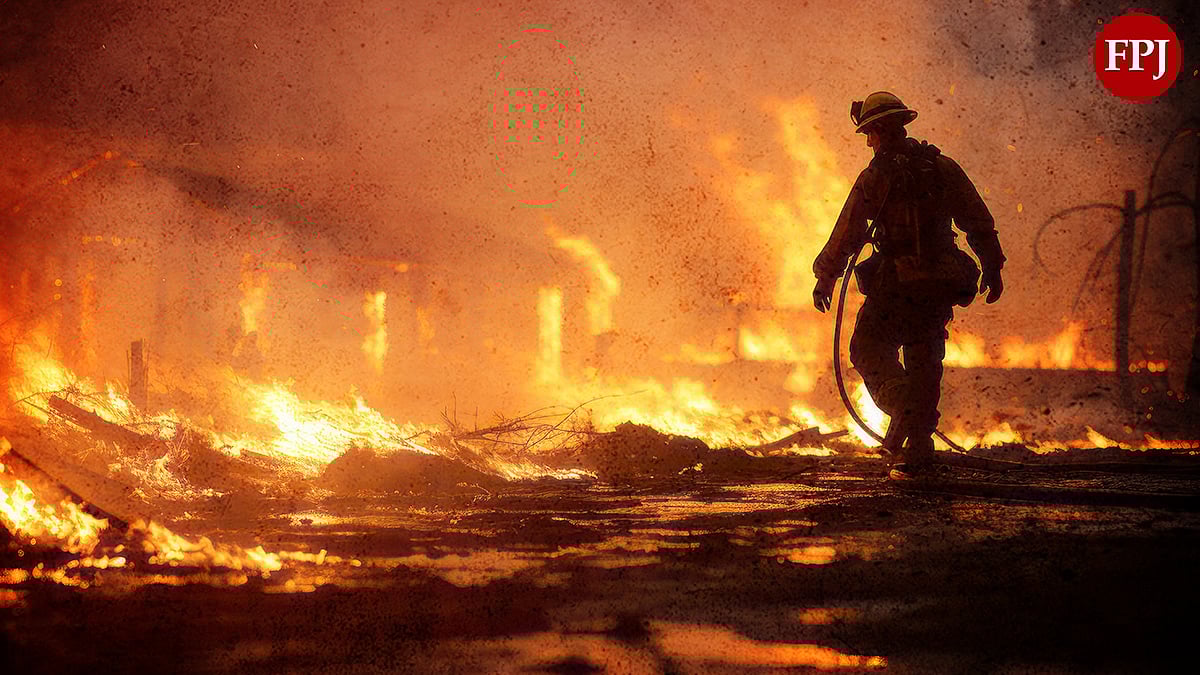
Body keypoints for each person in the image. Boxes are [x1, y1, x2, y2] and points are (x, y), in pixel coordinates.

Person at [812, 91, 1006, 479]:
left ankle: (903, 405)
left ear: (880, 132)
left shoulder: (875, 177)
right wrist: (992, 266)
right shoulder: (943, 168)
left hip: (895, 285)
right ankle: (918, 450)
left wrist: (825, 276)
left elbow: (847, 232)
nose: (869, 142)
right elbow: (977, 219)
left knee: (867, 350)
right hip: (938, 283)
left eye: (870, 134)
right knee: (925, 360)